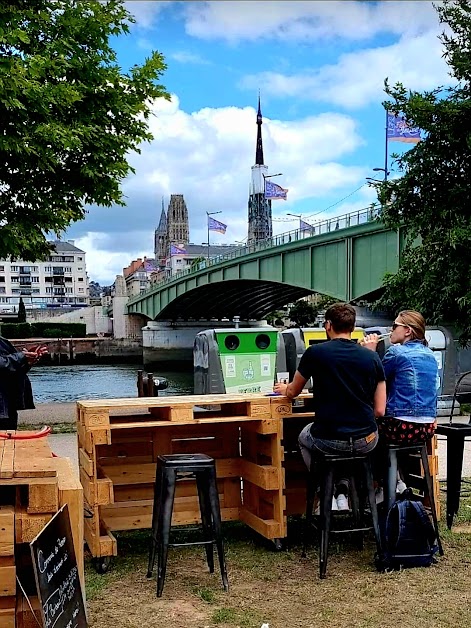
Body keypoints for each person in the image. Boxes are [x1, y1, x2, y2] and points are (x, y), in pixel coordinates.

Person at [274, 303, 386, 510]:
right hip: (366, 440)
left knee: (303, 437)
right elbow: (380, 409)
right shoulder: (372, 357)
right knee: (349, 448)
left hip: (328, 438)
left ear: (328, 325)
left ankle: (326, 492)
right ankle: (344, 490)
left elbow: (293, 391)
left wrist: (283, 388)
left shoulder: (315, 353)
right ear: (352, 328)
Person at [361, 310, 438, 445]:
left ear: (407, 331)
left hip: (399, 425)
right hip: (428, 428)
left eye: (395, 325)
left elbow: (372, 382)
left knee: (362, 430)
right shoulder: (430, 354)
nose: (391, 329)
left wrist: (369, 354)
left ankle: (383, 465)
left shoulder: (396, 352)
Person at [0, 337, 48, 430]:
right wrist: (22, 356)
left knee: (8, 440)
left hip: (7, 407)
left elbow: (12, 369)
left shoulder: (3, 342)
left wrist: (27, 361)